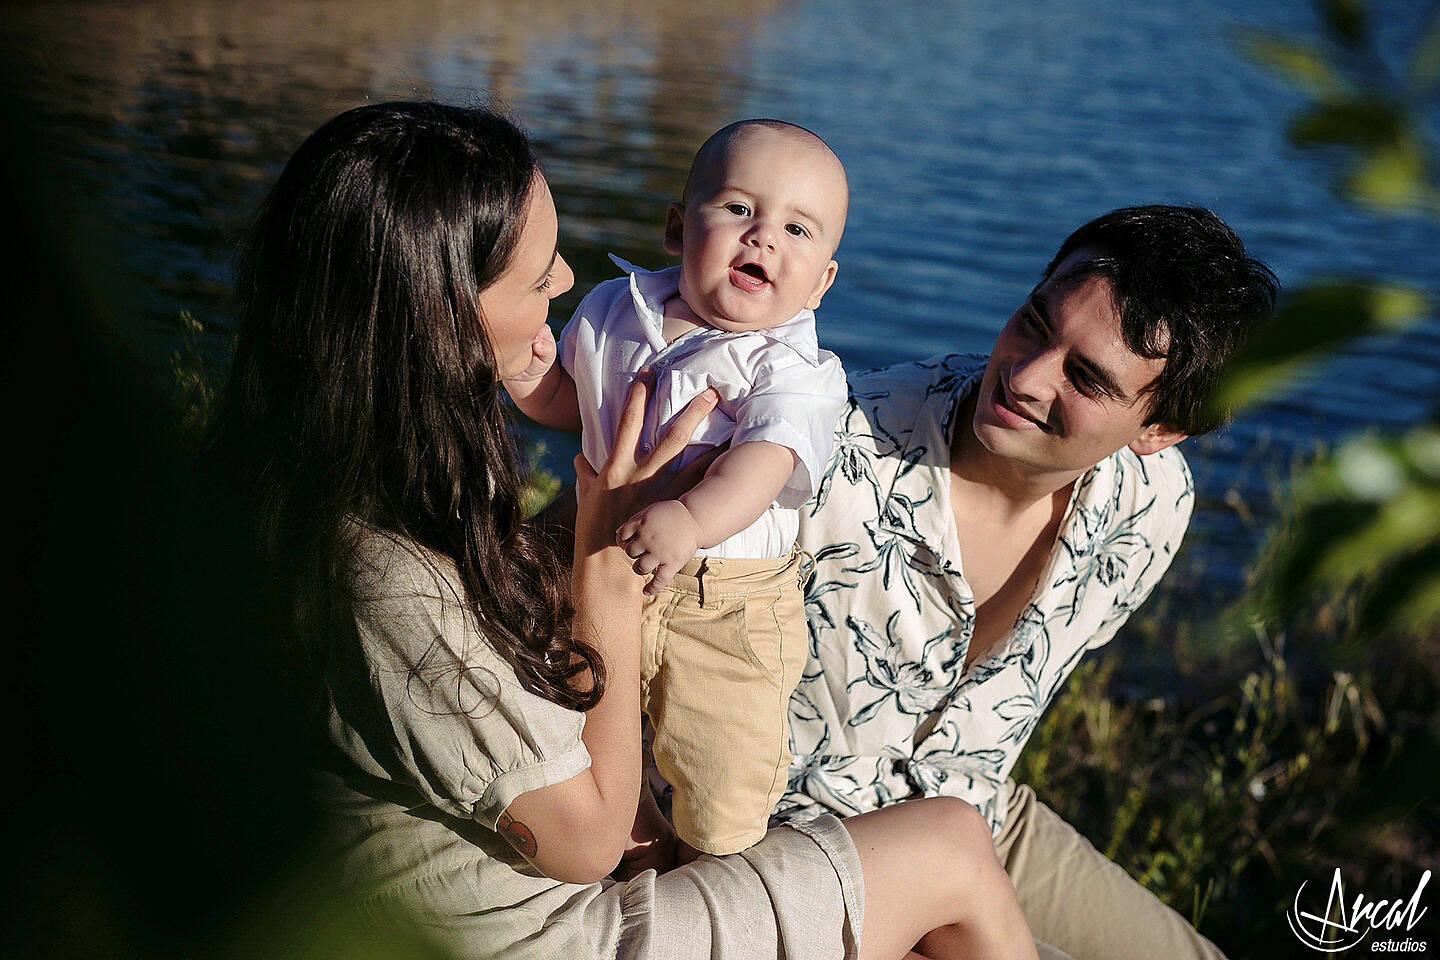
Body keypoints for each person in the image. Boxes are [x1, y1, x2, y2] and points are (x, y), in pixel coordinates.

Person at [210, 100, 1043, 960]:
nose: (568, 283)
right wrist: (606, 566)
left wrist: (610, 522)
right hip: (529, 932)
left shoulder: (327, 468)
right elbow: (588, 844)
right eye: (539, 280)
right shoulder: (384, 567)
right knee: (952, 848)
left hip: (508, 857)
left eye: (798, 229)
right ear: (441, 310)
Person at [776, 205, 1279, 960]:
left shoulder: (1151, 504)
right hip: (801, 841)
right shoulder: (824, 457)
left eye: (1086, 377)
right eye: (1035, 324)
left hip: (977, 808)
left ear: (1159, 431)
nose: (1025, 375)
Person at [506, 118, 849, 857]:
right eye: (738, 209)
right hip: (599, 553)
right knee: (571, 712)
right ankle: (613, 832)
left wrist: (692, 520)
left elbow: (766, 461)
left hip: (723, 600)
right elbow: (577, 406)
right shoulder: (611, 309)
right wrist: (531, 378)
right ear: (675, 227)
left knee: (719, 765)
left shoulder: (791, 369)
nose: (762, 238)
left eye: (798, 229)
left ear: (822, 282)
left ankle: (717, 860)